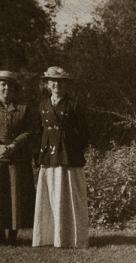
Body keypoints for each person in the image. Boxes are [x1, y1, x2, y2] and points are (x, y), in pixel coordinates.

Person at [32, 66, 89, 248]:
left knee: (69, 195)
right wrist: (39, 153)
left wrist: (72, 146)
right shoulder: (42, 105)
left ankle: (71, 237)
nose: (57, 85)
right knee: (50, 195)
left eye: (60, 82)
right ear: (48, 84)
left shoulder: (74, 105)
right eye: (53, 81)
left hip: (69, 156)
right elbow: (38, 132)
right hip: (49, 155)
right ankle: (48, 237)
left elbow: (85, 132)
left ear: (66, 85)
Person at [0, 70, 37, 245]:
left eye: (9, 85)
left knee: (15, 197)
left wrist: (14, 145)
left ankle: (13, 235)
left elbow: (30, 132)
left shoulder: (24, 109)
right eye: (2, 84)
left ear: (15, 89)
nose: (6, 88)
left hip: (17, 159)